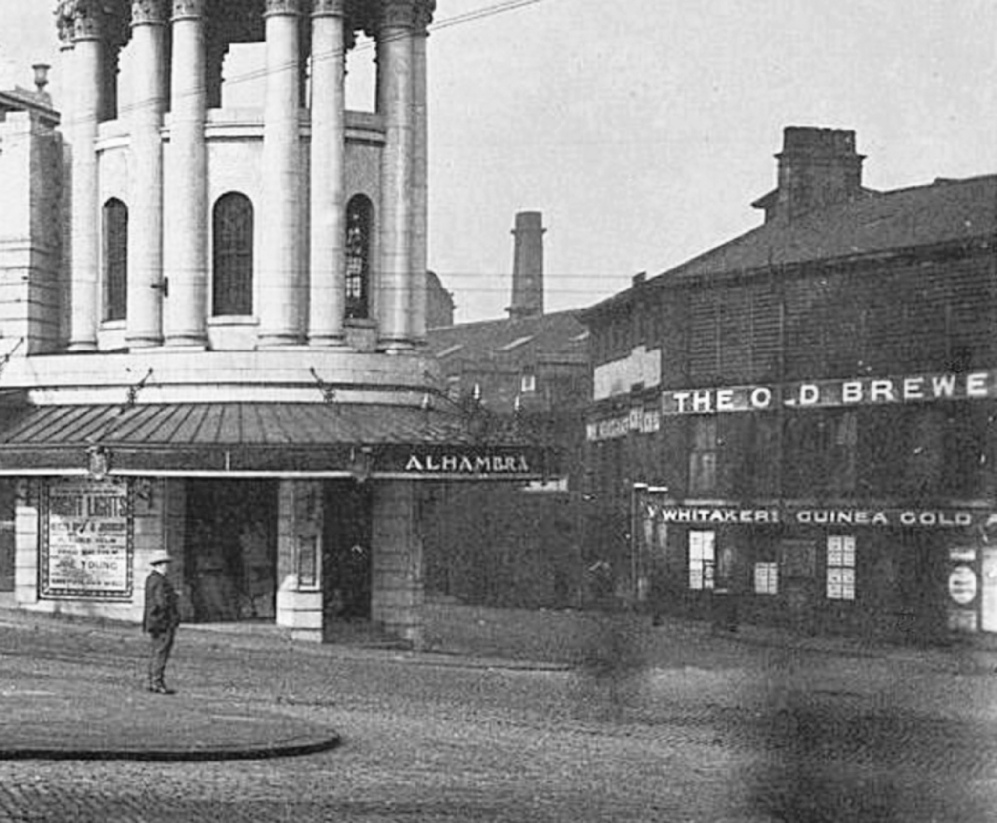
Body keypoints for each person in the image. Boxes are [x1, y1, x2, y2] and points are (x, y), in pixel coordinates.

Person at [143, 549, 180, 694]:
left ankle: (153, 681)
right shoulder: (160, 581)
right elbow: (162, 603)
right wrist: (174, 598)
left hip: (154, 621)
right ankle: (157, 682)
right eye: (166, 564)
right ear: (161, 565)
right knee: (161, 652)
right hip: (163, 622)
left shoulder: (150, 579)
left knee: (156, 651)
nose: (168, 567)